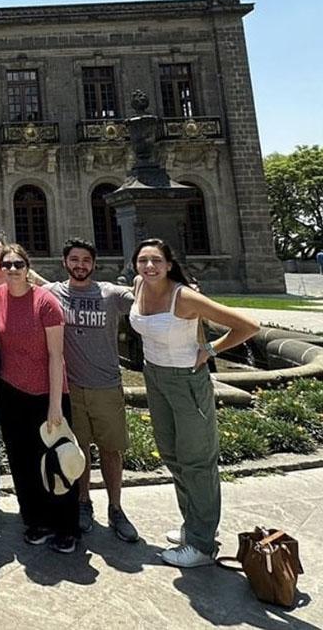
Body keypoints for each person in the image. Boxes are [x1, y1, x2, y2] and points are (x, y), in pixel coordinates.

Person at [130, 238, 259, 567]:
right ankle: (193, 526)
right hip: (154, 376)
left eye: (156, 260)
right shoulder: (139, 286)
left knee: (197, 462)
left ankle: (202, 546)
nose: (149, 266)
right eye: (143, 260)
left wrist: (211, 349)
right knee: (173, 455)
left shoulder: (184, 296)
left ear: (169, 264)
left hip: (186, 380)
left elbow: (248, 326)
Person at [46, 238, 138, 542]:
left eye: (86, 260)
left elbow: (143, 300)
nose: (80, 265)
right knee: (79, 451)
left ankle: (116, 508)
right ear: (65, 263)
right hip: (71, 389)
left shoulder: (111, 294)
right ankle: (84, 502)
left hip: (107, 387)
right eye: (74, 259)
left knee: (111, 450)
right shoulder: (53, 293)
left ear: (93, 265)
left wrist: (148, 281)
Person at [0, 243, 79, 553]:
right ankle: (35, 520)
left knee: (56, 460)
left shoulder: (46, 302)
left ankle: (65, 526)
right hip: (11, 392)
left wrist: (56, 404)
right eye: (7, 264)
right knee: (22, 461)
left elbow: (57, 356)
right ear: (0, 268)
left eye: (18, 264)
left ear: (27, 267)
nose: (13, 269)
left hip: (47, 393)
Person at [0, 225, 48, 523]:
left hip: (21, 357)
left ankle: (31, 496)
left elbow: (53, 290)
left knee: (24, 432)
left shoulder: (18, 271)